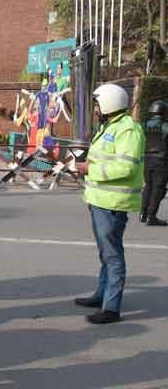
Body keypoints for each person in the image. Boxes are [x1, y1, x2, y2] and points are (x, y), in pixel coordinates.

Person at [74, 84, 145, 324]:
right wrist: (85, 167)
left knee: (113, 254)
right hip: (98, 199)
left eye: (97, 103)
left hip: (113, 202)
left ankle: (111, 307)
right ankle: (101, 294)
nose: (95, 108)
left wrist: (90, 169)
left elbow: (127, 167)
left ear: (109, 103)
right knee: (106, 253)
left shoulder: (128, 130)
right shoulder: (109, 127)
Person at [140, 100, 168, 226]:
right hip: (161, 160)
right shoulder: (165, 126)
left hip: (147, 159)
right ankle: (152, 216)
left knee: (148, 186)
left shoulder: (144, 125)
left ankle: (143, 213)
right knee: (159, 188)